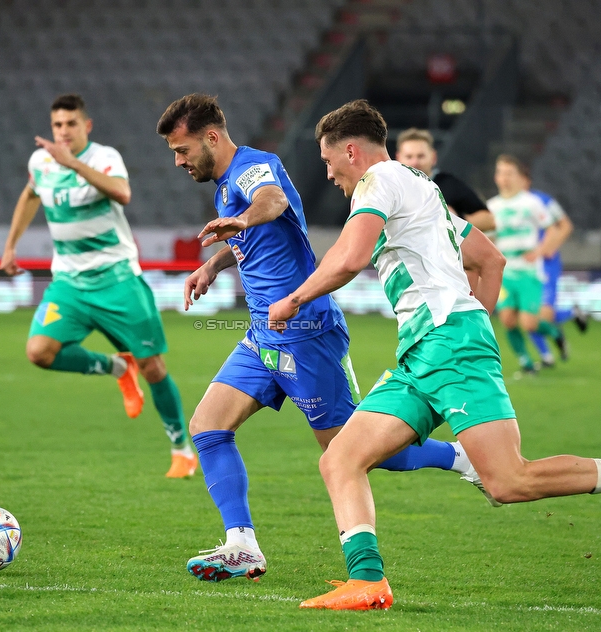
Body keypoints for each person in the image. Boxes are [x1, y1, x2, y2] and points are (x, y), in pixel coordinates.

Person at [267, 99, 601, 611]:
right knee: (341, 459)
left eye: (329, 162)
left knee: (507, 482)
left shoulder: (380, 184)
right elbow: (491, 257)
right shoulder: (424, 190)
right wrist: (473, 318)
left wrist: (293, 298)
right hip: (425, 350)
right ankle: (367, 581)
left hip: (448, 347)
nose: (328, 174)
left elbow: (349, 257)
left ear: (352, 151)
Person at [156, 94, 482, 583]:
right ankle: (241, 545)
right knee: (207, 427)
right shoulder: (226, 186)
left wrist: (242, 219)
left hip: (307, 335)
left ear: (211, 138)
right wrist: (212, 263)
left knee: (353, 451)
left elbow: (272, 202)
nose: (179, 161)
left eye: (182, 150)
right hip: (264, 335)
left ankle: (461, 457)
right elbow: (247, 237)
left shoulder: (253, 169)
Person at [0, 94, 196, 479]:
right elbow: (30, 194)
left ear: (86, 126)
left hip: (117, 279)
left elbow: (122, 193)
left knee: (153, 367)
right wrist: (10, 245)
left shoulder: (104, 157)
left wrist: (71, 163)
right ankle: (115, 366)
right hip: (69, 283)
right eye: (57, 125)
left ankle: (181, 450)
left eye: (71, 124)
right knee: (39, 351)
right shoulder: (40, 162)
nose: (63, 131)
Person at [487, 154, 568, 374]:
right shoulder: (491, 206)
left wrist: (540, 251)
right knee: (507, 320)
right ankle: (526, 363)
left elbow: (553, 229)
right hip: (505, 272)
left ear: (518, 177)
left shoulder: (532, 203)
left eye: (509, 173)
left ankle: (555, 333)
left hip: (529, 272)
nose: (504, 178)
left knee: (529, 324)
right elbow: (489, 239)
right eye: (501, 173)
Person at [517, 171, 588, 367]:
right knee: (527, 314)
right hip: (522, 266)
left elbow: (565, 226)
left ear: (525, 180)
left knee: (542, 316)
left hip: (545, 265)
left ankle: (568, 316)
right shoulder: (506, 204)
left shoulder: (543, 200)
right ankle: (547, 356)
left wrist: (549, 247)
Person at [394, 128, 495, 232]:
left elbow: (489, 220)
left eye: (421, 156)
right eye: (409, 157)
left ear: (433, 157)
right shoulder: (392, 188)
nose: (415, 162)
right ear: (398, 158)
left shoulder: (450, 184)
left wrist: (455, 220)